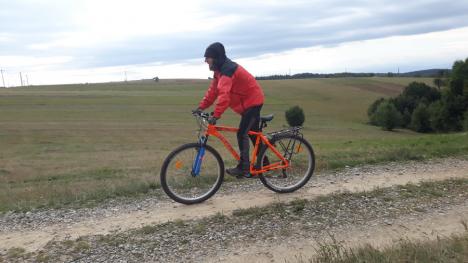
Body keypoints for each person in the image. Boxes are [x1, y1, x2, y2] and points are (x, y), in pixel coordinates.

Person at [194, 42, 264, 178]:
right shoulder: (219, 72)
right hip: (246, 104)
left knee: (242, 133)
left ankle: (244, 168)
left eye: (207, 57)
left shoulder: (228, 70)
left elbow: (223, 95)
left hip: (253, 102)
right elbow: (213, 92)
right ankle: (263, 165)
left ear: (215, 57)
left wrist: (216, 115)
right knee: (253, 134)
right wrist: (201, 107)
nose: (205, 61)